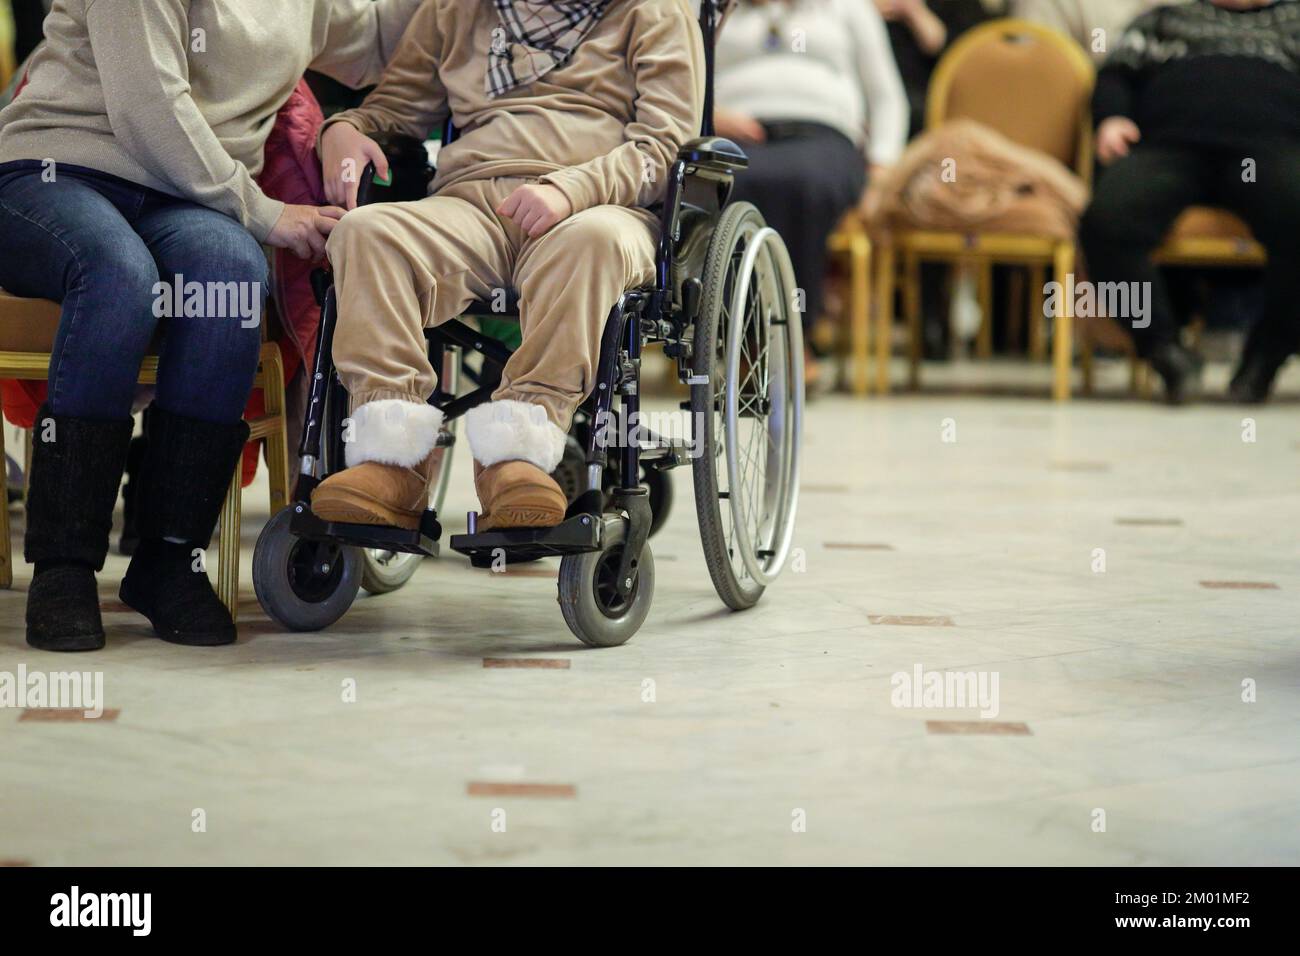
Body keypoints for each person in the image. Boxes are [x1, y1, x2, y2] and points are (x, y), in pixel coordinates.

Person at [0, 0, 421, 652]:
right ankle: (64, 566)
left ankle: (169, 559)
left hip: (183, 197)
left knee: (230, 278)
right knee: (120, 277)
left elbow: (378, 41)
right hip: (55, 170)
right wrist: (264, 211)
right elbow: (148, 112)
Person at [307, 0, 703, 533]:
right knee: (366, 233)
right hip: (472, 206)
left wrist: (572, 189)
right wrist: (345, 129)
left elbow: (665, 147)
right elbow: (397, 107)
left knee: (592, 242)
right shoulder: (455, 10)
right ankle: (392, 461)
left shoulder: (652, 11)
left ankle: (517, 459)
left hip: (600, 206)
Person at [1077, 0, 1300, 403]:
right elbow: (1114, 75)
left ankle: (1267, 355)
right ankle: (1163, 349)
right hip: (1172, 149)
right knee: (1106, 218)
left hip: (1270, 151)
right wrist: (1111, 118)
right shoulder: (1165, 20)